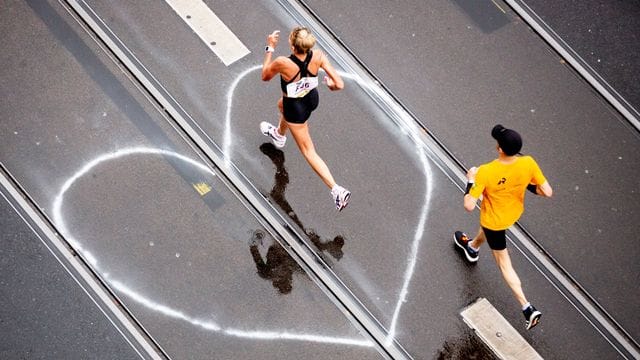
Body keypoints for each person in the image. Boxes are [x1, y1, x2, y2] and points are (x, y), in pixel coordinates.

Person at [454, 124, 553, 330]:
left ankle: (527, 307)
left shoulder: (486, 171)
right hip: (512, 214)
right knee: (487, 232)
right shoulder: (528, 163)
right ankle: (472, 247)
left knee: (504, 264)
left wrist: (471, 181)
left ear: (499, 149)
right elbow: (546, 191)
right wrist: (523, 183)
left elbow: (469, 205)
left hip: (495, 221)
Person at [260, 27, 351, 211]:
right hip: (311, 99)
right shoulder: (317, 55)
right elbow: (339, 84)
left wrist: (269, 48)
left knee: (309, 151)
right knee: (281, 105)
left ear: (293, 46)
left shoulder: (282, 63)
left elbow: (265, 75)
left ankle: (336, 190)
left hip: (296, 110)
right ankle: (279, 134)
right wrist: (331, 86)